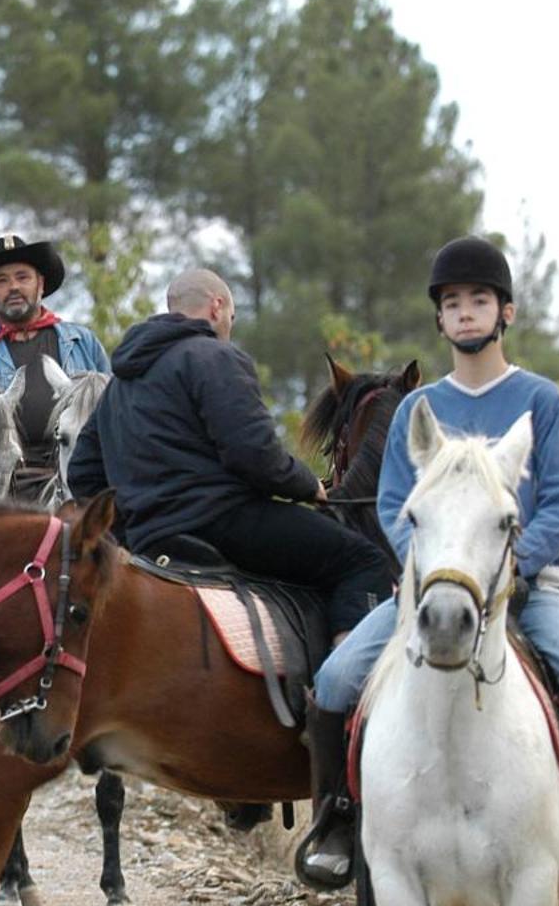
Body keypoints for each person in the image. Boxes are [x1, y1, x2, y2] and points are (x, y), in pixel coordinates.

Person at [296, 236, 559, 891]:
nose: (464, 313)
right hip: (428, 595)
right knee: (338, 675)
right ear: (439, 319)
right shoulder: (417, 412)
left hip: (528, 588)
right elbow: (398, 505)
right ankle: (336, 824)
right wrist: (427, 578)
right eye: (451, 303)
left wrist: (509, 573)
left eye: (478, 300)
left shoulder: (542, 402)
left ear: (505, 312)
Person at [65, 268, 393, 637]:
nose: (229, 328)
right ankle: (346, 687)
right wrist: (307, 486)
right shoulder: (214, 357)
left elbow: (83, 473)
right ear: (217, 307)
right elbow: (253, 454)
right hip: (225, 525)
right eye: (232, 319)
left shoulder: (119, 385)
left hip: (149, 539)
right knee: (364, 561)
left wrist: (133, 529)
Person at [0, 233, 110, 499]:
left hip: (79, 488)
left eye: (22, 277)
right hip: (6, 491)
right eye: (1, 280)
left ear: (40, 283)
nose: (13, 286)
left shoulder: (82, 342)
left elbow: (113, 413)